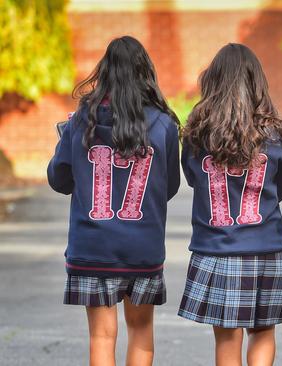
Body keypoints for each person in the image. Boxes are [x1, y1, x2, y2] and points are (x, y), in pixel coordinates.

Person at [47, 36, 180, 366]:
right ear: (145, 73)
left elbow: (59, 179)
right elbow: (169, 186)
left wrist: (67, 140)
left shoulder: (82, 121)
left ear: (103, 72)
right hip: (142, 248)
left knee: (102, 336)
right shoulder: (163, 124)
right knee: (140, 330)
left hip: (93, 248)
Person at [178, 43, 282, 366]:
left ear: (213, 81)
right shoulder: (276, 132)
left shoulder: (196, 131)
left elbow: (194, 179)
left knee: (226, 337)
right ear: (257, 82)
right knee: (262, 333)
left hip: (216, 249)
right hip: (266, 248)